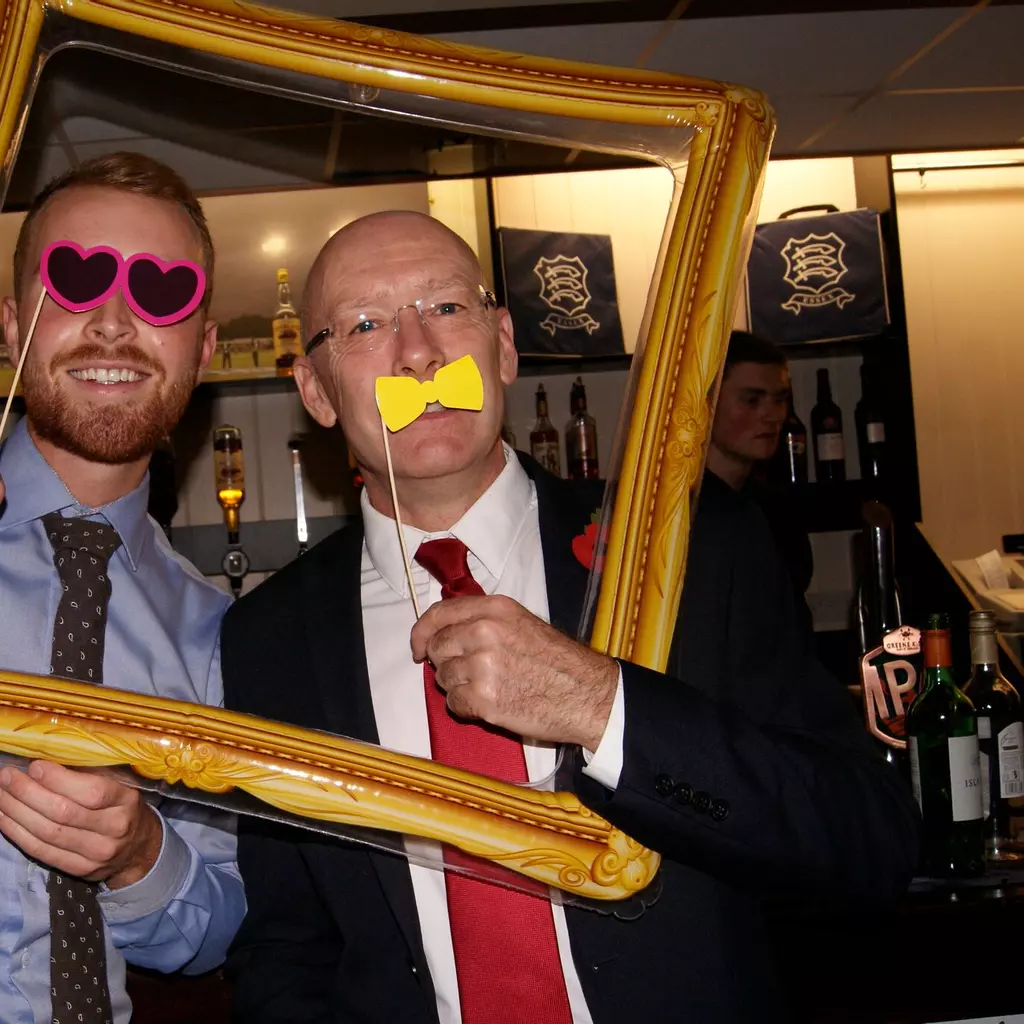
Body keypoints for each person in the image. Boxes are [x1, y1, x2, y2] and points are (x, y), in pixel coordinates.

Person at [221, 211, 919, 1023]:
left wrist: (604, 707)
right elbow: (287, 946)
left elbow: (868, 843)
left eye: (446, 307)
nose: (418, 353)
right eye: (367, 325)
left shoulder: (694, 549)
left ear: (503, 346)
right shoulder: (269, 638)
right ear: (316, 391)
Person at [0, 152, 245, 1024]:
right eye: (75, 280)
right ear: (10, 326)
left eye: (160, 292)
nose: (112, 322)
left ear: (203, 350)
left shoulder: (217, 632)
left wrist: (141, 856)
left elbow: (217, 926)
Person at [706, 329, 814, 604]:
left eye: (779, 400)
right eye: (752, 400)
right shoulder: (681, 511)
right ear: (706, 403)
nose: (772, 415)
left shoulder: (774, 508)